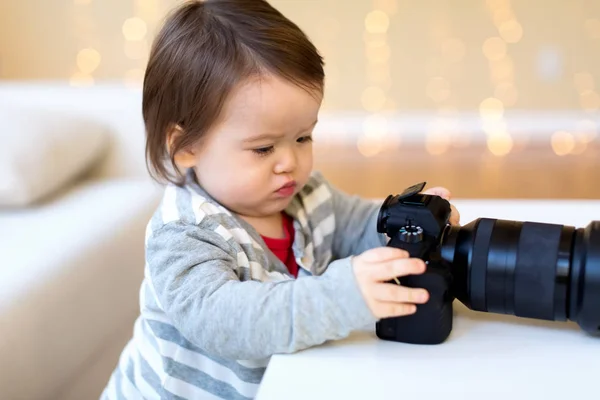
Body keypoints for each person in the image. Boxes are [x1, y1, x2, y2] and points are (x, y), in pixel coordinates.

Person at [100, 1, 460, 399]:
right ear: (186, 147)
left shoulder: (306, 195)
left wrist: (406, 222)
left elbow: (358, 225)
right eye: (263, 148)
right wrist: (339, 298)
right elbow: (227, 321)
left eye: (303, 137)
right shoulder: (183, 234)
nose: (289, 162)